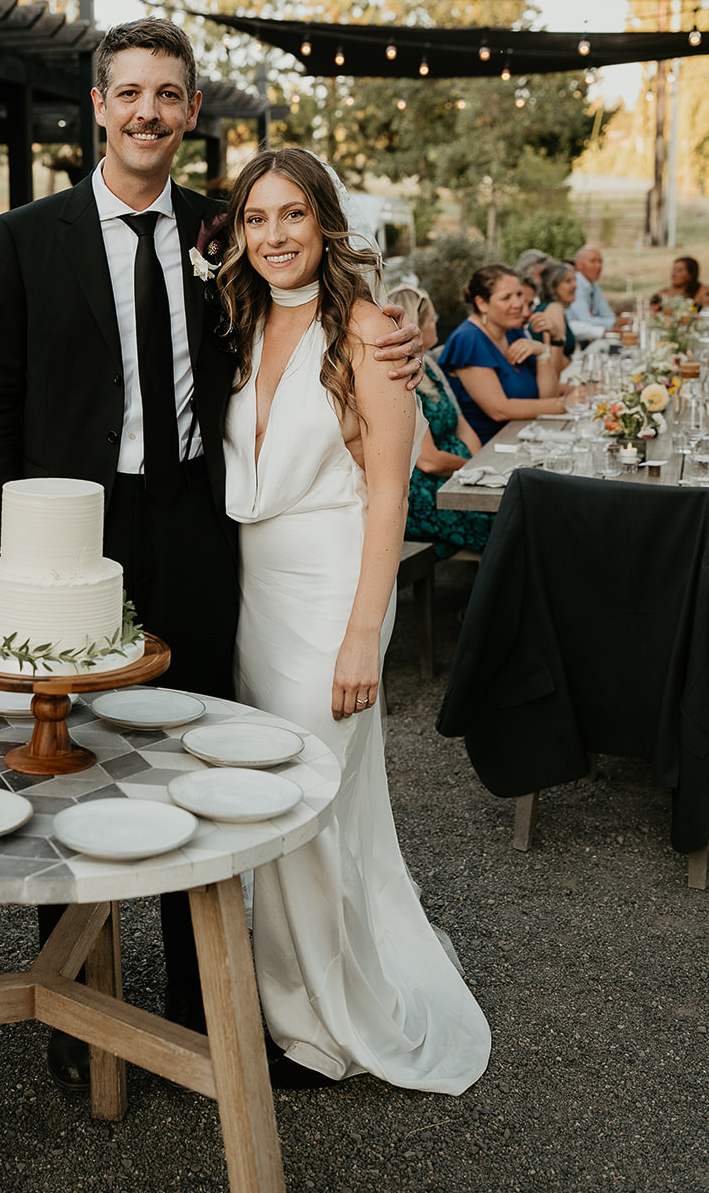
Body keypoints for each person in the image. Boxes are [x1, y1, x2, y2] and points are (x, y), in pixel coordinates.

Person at [0, 19, 424, 1091]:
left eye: (167, 96)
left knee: (199, 759)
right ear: (96, 104)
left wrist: (403, 323)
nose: (147, 114)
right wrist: (1, 569)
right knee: (62, 763)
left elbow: (321, 305)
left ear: (187, 113)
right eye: (129, 93)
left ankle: (203, 1004)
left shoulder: (221, 232)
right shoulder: (24, 237)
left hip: (198, 531)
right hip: (71, 534)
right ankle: (74, 1014)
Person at [220, 146, 491, 1093]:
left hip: (333, 595)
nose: (274, 236)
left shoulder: (369, 332)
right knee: (270, 800)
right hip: (255, 595)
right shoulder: (241, 323)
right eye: (256, 219)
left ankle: (321, 1031)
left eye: (291, 215)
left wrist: (360, 634)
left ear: (324, 221)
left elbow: (386, 498)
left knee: (311, 807)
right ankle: (279, 995)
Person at [388, 284, 493, 559]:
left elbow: (461, 424)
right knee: (505, 521)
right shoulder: (400, 377)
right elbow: (429, 460)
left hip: (459, 476)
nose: (437, 323)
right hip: (426, 493)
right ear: (416, 324)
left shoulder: (430, 365)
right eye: (432, 318)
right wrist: (473, 471)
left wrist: (484, 467)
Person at [437, 264, 568, 443]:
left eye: (519, 294)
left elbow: (547, 396)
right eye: (506, 297)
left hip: (527, 436)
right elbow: (499, 410)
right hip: (491, 448)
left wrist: (542, 353)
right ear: (482, 303)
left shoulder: (511, 331)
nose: (518, 304)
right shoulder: (468, 339)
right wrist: (564, 404)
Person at [566, 244, 627, 344]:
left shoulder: (593, 285)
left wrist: (617, 322)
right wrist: (620, 322)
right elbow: (586, 321)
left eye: (600, 261)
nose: (599, 266)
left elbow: (607, 315)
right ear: (578, 265)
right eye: (593, 261)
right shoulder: (575, 285)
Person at [531, 260, 578, 372]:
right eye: (568, 281)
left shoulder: (547, 307)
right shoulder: (555, 308)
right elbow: (555, 359)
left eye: (574, 280)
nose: (575, 285)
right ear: (553, 286)